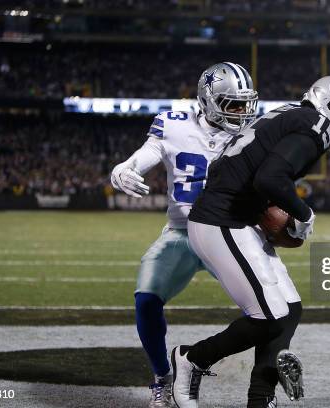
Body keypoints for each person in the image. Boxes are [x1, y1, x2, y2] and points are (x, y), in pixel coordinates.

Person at [172, 76, 330, 408]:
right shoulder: (316, 124)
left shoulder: (292, 113)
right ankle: (193, 358)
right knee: (270, 316)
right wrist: (304, 215)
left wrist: (264, 209)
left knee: (289, 309)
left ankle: (260, 399)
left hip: (237, 216)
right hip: (221, 220)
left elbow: (252, 172)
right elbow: (270, 178)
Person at [110, 62, 258, 407]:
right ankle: (163, 376)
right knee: (146, 299)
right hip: (182, 231)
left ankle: (261, 383)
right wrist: (125, 168)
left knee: (271, 309)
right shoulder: (174, 123)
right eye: (232, 104)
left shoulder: (252, 134)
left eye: (244, 103)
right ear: (207, 100)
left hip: (230, 232)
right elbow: (147, 154)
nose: (241, 112)